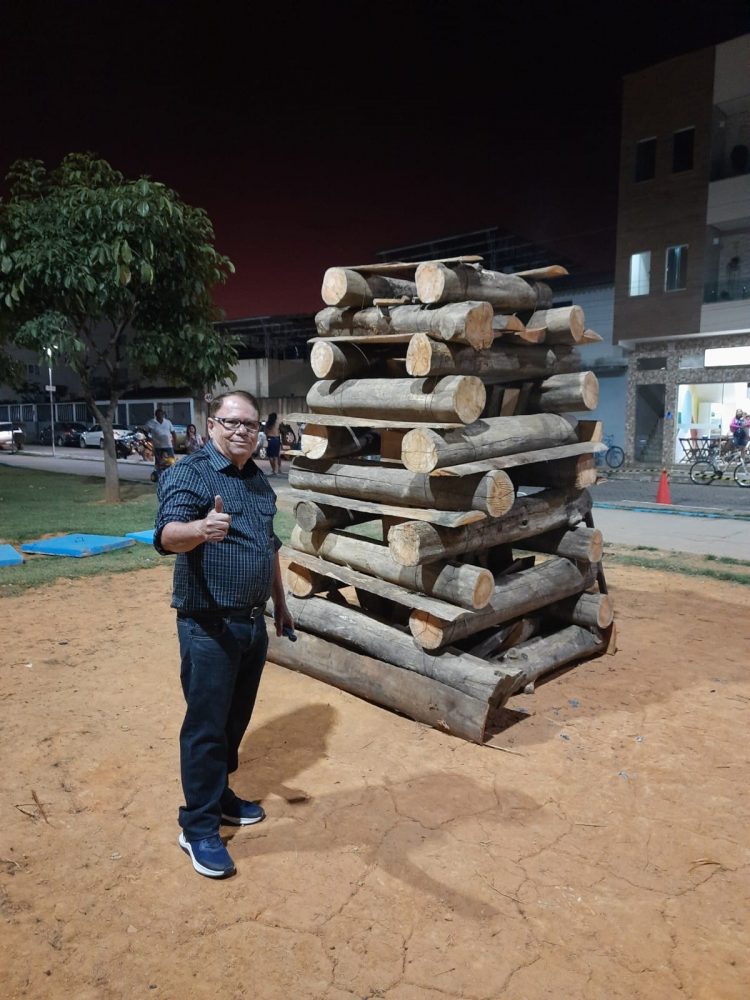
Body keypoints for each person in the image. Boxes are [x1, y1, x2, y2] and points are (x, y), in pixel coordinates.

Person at [154, 390, 293, 879]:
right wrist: (200, 528)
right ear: (211, 424)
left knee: (234, 720)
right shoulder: (189, 474)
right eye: (231, 422)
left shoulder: (258, 482)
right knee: (207, 727)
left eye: (250, 425)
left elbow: (269, 544)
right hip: (208, 625)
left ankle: (220, 793)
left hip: (252, 622)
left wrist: (281, 603)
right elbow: (167, 534)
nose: (241, 431)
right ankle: (197, 826)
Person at [145, 408, 177, 480]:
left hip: (168, 445)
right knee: (159, 462)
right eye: (158, 414)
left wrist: (175, 443)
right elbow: (144, 430)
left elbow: (173, 433)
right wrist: (148, 438)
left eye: (161, 414)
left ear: (163, 415)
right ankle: (159, 476)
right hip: (157, 446)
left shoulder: (168, 422)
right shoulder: (151, 422)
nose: (160, 415)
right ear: (156, 415)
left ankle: (171, 475)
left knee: (170, 461)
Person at [265, 411, 281, 476]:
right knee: (276, 456)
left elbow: (265, 432)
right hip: (276, 439)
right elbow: (280, 432)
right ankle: (276, 470)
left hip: (269, 439)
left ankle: (273, 469)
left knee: (270, 456)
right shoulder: (277, 424)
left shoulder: (268, 424)